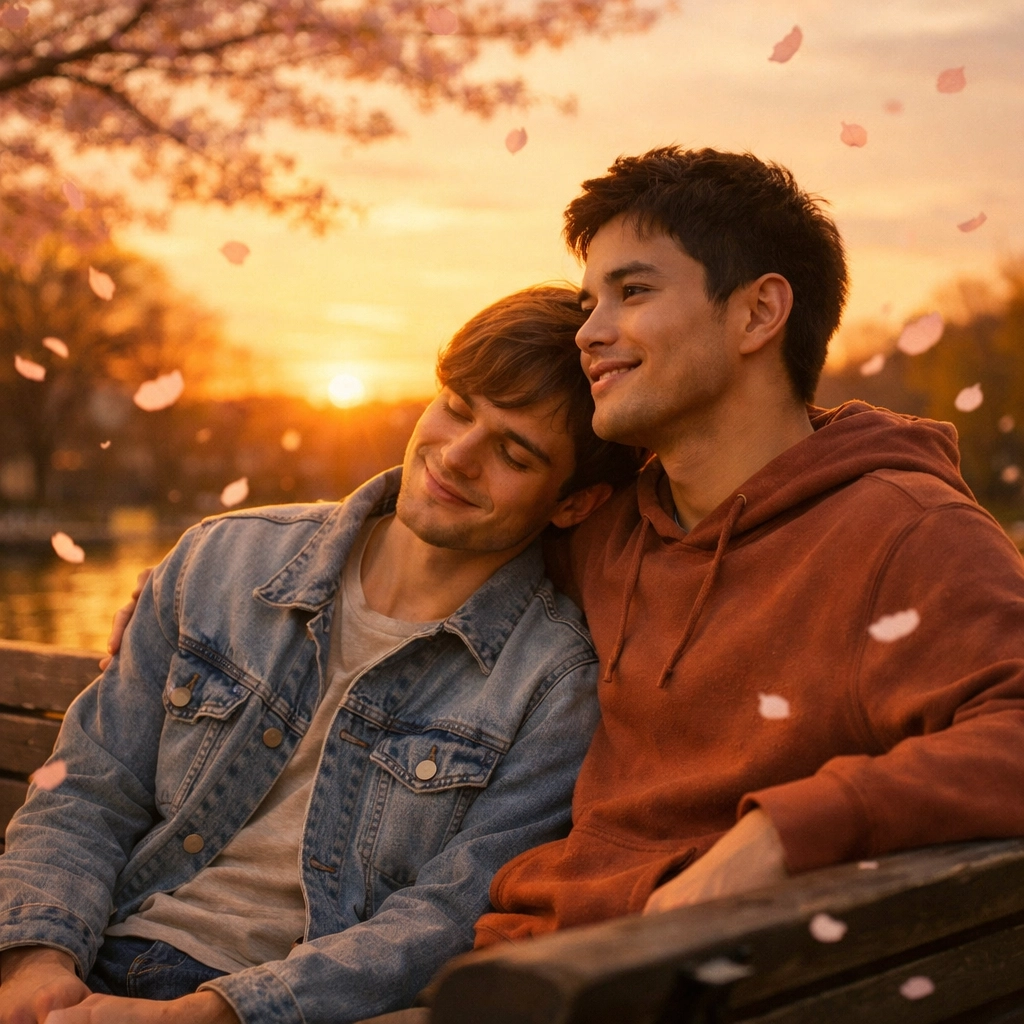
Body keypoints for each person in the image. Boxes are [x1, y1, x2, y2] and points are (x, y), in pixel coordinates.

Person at [0, 286, 641, 1024]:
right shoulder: (223, 558)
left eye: (513, 452)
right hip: (90, 947)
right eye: (459, 408)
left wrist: (204, 1015)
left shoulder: (555, 684)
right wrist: (38, 961)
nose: (456, 457)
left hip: (286, 1005)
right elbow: (89, 787)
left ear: (573, 503)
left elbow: (445, 919)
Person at [473, 146, 1024, 946]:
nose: (588, 333)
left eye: (632, 291)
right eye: (591, 301)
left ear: (760, 314)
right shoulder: (601, 530)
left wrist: (780, 834)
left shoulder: (903, 532)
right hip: (509, 960)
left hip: (652, 983)